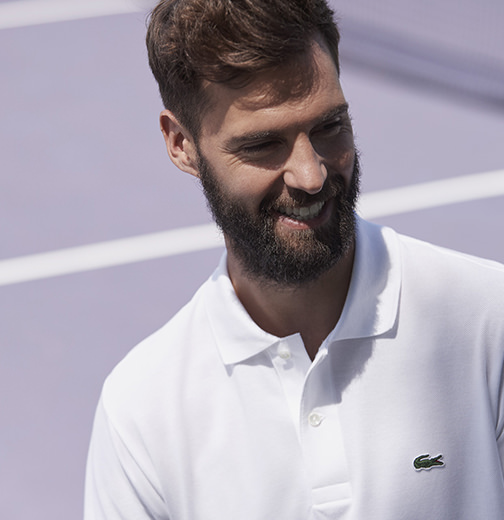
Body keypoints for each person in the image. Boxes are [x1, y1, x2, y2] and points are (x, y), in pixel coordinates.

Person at [84, 0, 504, 518]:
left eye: (330, 126)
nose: (311, 175)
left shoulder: (488, 319)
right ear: (181, 144)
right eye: (263, 144)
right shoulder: (139, 411)